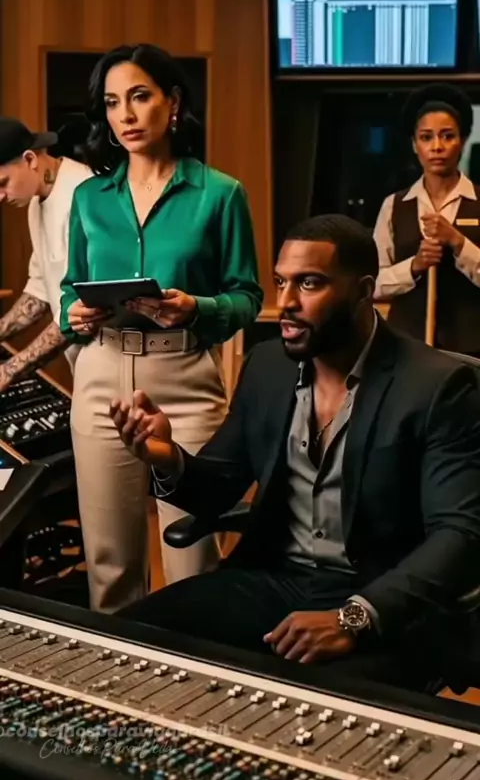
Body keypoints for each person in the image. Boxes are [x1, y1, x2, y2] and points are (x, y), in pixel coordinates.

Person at [111, 214, 480, 679]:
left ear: (364, 291)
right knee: (120, 642)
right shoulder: (269, 366)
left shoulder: (437, 386)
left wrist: (354, 618)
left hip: (382, 597)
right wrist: (166, 457)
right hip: (274, 579)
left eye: (309, 283)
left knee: (301, 705)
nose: (285, 302)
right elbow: (218, 486)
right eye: (281, 282)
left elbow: (459, 534)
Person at [59, 43, 263, 613]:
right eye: (111, 103)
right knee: (109, 564)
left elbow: (248, 297)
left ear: (172, 103)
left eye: (139, 97)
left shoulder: (220, 193)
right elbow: (70, 286)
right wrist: (73, 313)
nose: (124, 115)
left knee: (193, 559)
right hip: (100, 376)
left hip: (184, 378)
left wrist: (197, 308)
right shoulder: (89, 198)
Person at [374, 83, 480, 355]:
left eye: (448, 136)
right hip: (407, 350)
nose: (437, 147)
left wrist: (458, 243)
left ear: (462, 141)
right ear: (414, 144)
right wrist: (415, 265)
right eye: (426, 137)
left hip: (471, 352)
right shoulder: (394, 206)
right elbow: (373, 283)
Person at [0, 118, 91, 386]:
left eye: (3, 182)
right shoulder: (35, 203)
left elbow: (84, 307)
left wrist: (9, 370)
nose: (0, 196)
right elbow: (40, 290)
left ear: (30, 159)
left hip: (114, 366)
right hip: (84, 370)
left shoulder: (86, 195)